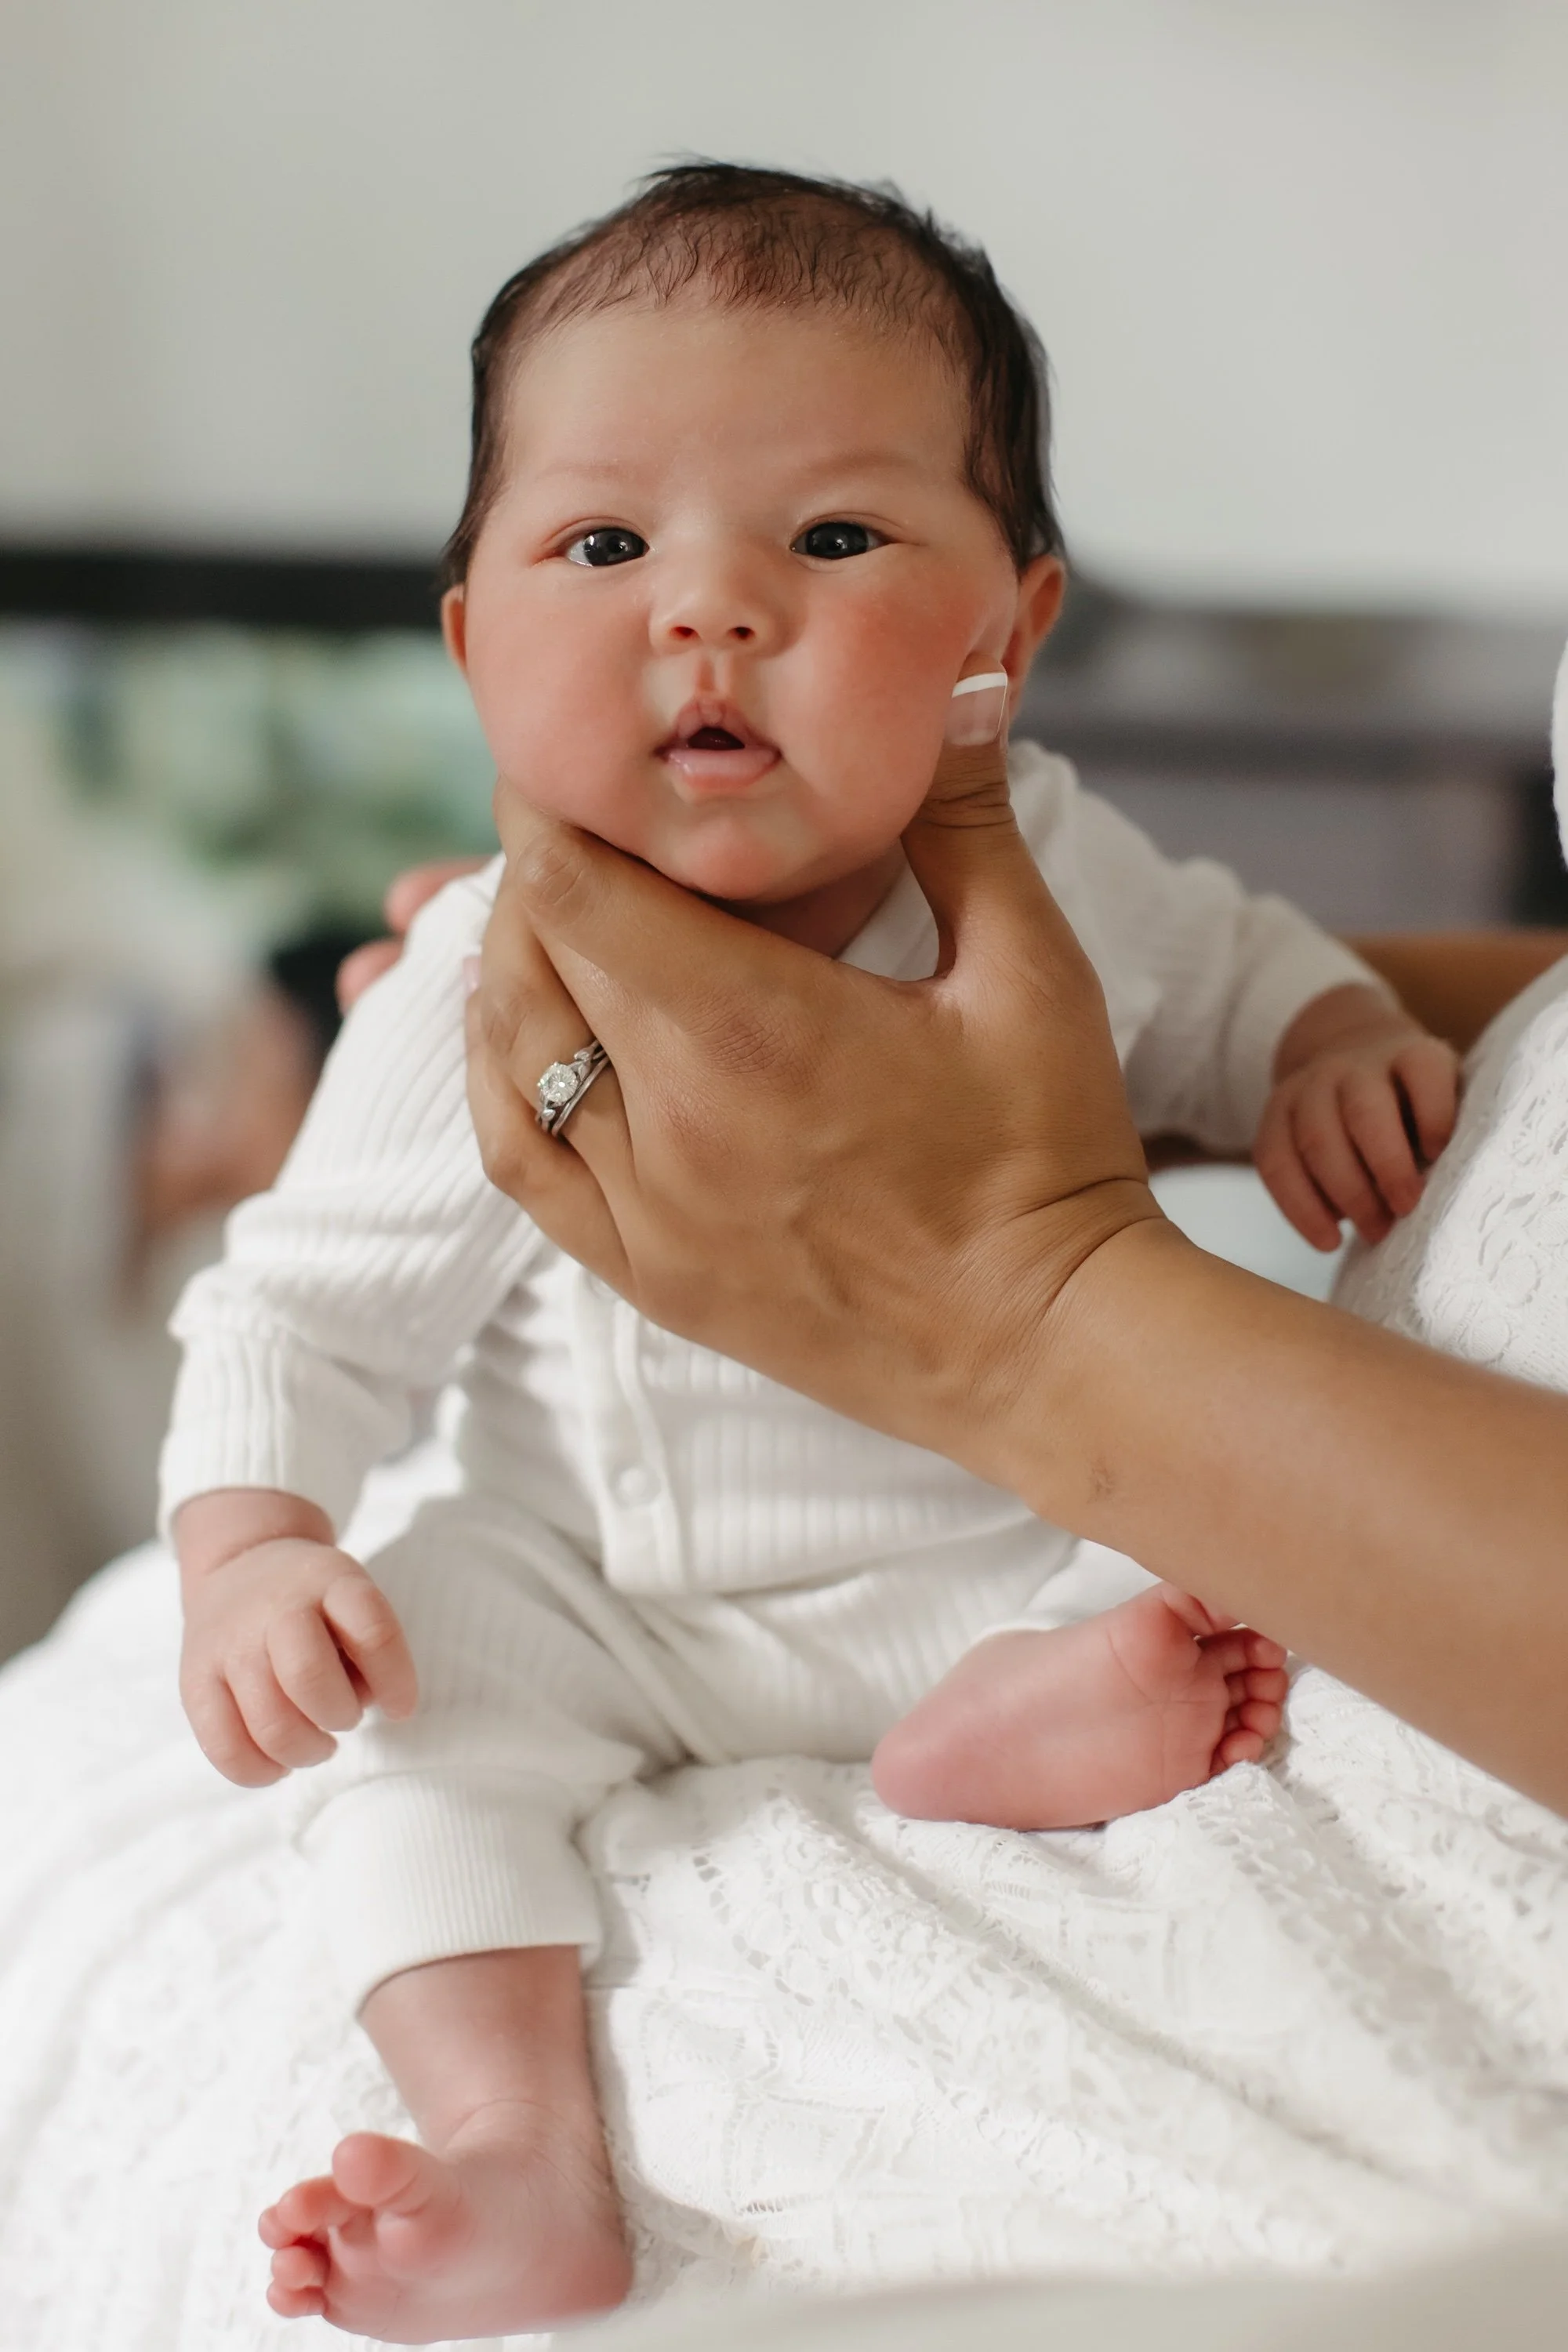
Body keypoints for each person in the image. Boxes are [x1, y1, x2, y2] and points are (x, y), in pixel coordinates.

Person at [162, 167, 1463, 2339]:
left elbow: (1245, 976)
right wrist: (251, 1551)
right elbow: (304, 1307)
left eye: (835, 538)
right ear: (474, 644)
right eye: (605, 547)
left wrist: (1330, 1046)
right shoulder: (485, 977)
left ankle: (998, 1722)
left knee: (1217, 1533)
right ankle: (509, 2145)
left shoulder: (1052, 879)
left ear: (1007, 635)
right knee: (411, 1698)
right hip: (599, 1587)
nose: (711, 610)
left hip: (989, 1545)